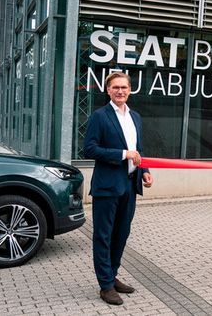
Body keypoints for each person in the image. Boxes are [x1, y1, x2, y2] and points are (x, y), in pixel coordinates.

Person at [84, 72, 154, 305]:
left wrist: (144, 171)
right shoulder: (99, 116)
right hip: (107, 186)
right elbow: (89, 149)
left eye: (124, 87)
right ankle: (105, 286)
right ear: (108, 90)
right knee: (103, 236)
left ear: (130, 89)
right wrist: (124, 155)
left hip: (129, 185)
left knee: (121, 233)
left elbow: (139, 148)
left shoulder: (135, 117)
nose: (120, 91)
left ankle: (112, 276)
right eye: (115, 88)